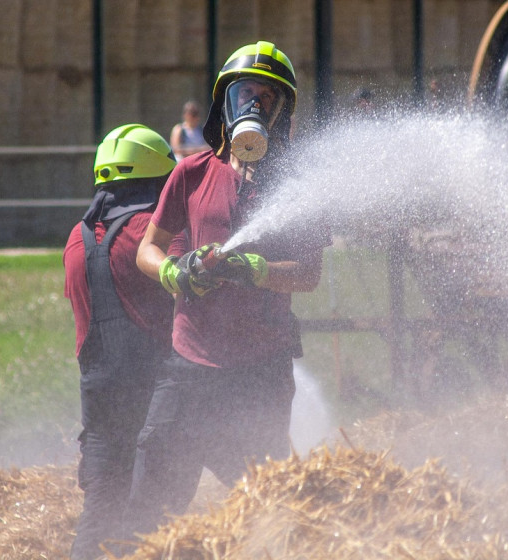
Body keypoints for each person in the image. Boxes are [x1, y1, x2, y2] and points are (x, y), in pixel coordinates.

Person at [124, 40, 331, 540]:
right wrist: (175, 272)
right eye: (246, 95)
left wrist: (255, 269)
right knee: (152, 498)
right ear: (224, 104)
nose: (255, 107)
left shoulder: (298, 185)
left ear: (283, 110)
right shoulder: (191, 173)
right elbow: (147, 248)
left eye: (268, 98)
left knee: (264, 506)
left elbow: (308, 273)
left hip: (260, 371)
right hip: (189, 363)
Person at [63, 124, 177, 560]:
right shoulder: (151, 231)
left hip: (99, 397)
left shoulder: (75, 238)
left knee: (100, 512)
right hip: (152, 393)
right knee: (149, 515)